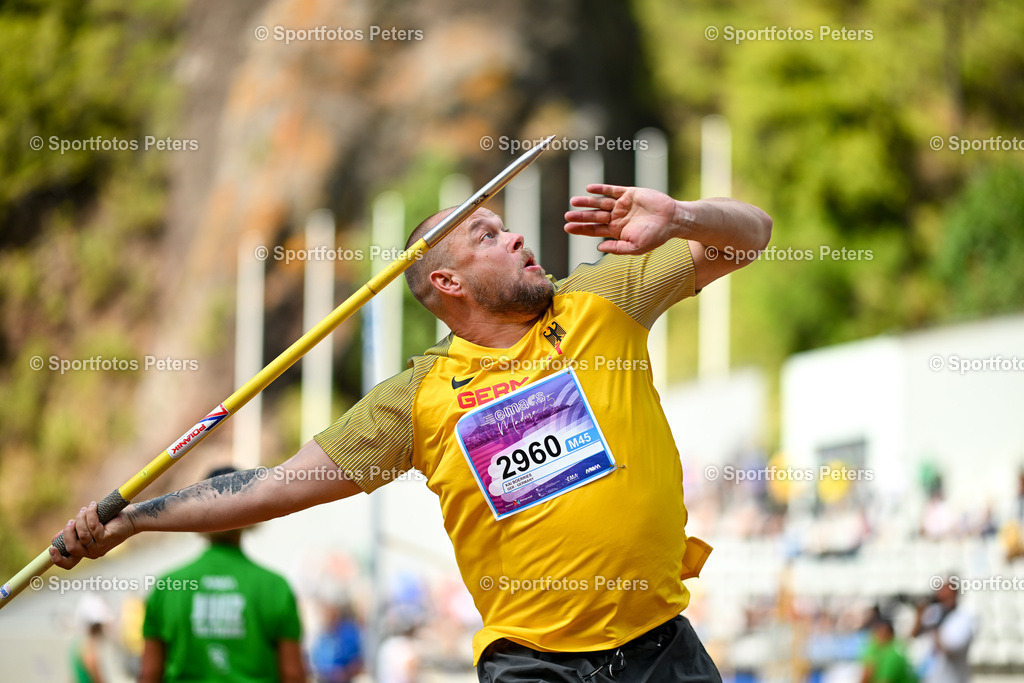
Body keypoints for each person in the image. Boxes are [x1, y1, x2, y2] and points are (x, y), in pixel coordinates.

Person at [52, 183, 772, 681]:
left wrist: (682, 216)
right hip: (535, 664)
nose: (517, 234)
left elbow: (752, 237)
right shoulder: (418, 399)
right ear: (449, 284)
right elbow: (272, 488)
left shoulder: (601, 300)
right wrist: (132, 520)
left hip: (661, 645)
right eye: (486, 234)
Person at [137, 466, 306, 683]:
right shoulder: (275, 586)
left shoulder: (167, 586)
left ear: (196, 513)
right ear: (250, 514)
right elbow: (293, 675)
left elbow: (149, 674)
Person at [910, 577, 975, 683]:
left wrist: (936, 626)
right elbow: (913, 635)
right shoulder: (934, 612)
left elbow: (950, 649)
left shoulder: (964, 618)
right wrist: (919, 614)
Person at [861, 616, 917, 683]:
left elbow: (885, 681)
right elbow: (866, 673)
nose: (879, 636)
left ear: (890, 635)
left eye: (883, 633)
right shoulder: (874, 648)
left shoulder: (894, 655)